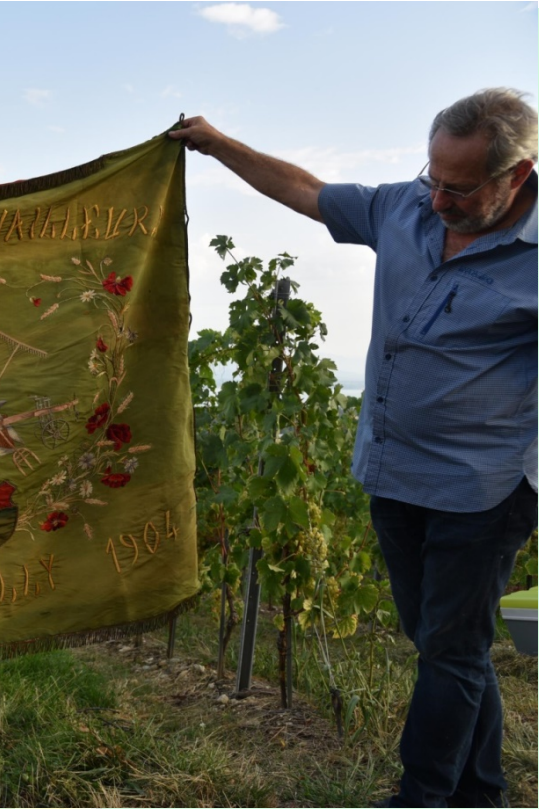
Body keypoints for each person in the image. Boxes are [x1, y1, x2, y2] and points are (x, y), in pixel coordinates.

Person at [169, 89, 537, 808]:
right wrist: (218, 143)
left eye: (457, 189)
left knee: (451, 650)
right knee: (439, 644)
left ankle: (420, 796)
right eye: (431, 178)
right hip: (391, 471)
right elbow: (306, 190)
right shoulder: (404, 205)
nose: (435, 201)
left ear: (516, 176)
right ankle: (480, 792)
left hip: (482, 487)